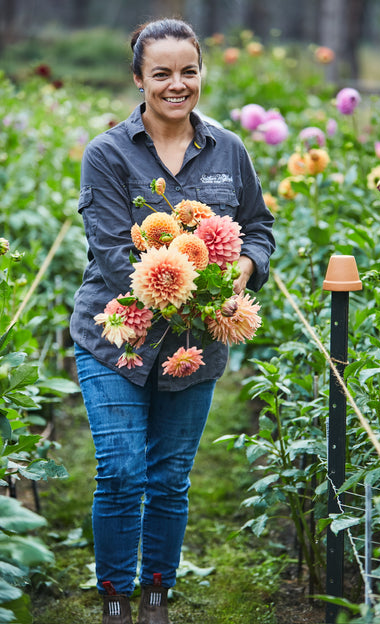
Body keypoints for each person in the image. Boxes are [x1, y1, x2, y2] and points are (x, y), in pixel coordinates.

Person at [70, 17, 275, 624]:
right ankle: (114, 596)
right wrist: (191, 288)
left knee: (169, 478)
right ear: (139, 79)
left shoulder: (228, 150)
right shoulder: (106, 154)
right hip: (117, 338)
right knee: (122, 469)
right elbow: (112, 255)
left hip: (198, 343)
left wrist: (242, 270)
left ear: (200, 74)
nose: (177, 84)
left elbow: (258, 227)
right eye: (161, 73)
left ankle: (156, 592)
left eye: (188, 71)